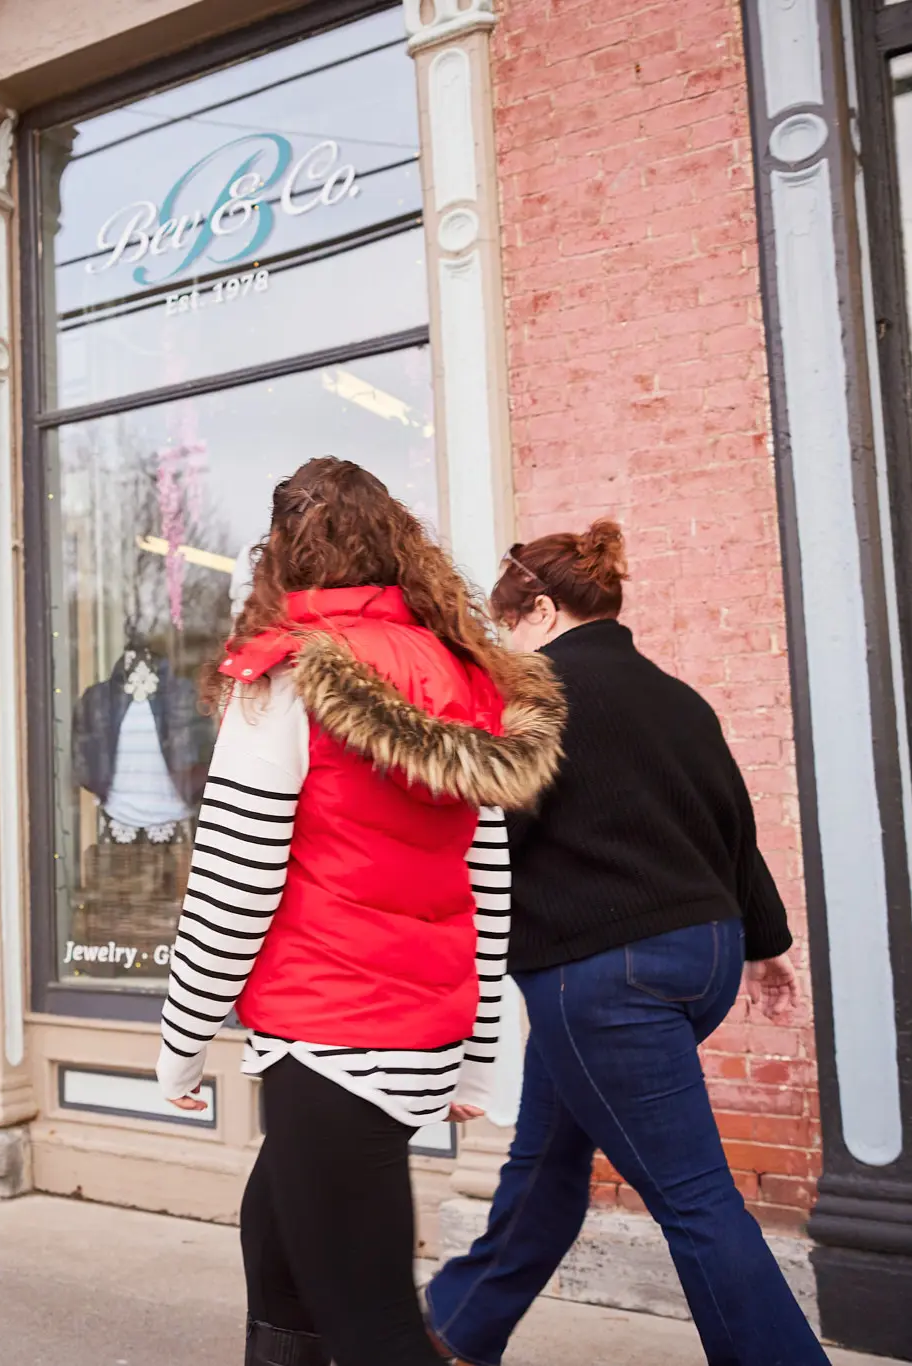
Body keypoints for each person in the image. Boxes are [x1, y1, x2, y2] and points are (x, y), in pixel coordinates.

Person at [156, 457, 567, 1366]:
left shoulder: (286, 676)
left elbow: (233, 879)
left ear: (282, 558)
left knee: (374, 1328)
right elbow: (485, 881)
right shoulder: (462, 675)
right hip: (412, 1035)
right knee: (280, 1256)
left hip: (328, 1035)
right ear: (394, 544)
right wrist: (472, 1060)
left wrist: (181, 1040)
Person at [424, 521, 828, 1366]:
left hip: (604, 977)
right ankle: (451, 1330)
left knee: (694, 1199)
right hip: (703, 953)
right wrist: (766, 942)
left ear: (539, 607)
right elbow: (732, 824)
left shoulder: (535, 697)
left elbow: (499, 845)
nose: (505, 642)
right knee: (546, 1160)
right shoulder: (679, 697)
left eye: (508, 623)